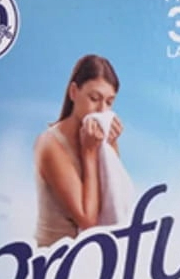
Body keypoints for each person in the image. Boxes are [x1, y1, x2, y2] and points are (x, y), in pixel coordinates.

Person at [34, 55, 123, 246]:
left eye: (109, 102)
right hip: (54, 257)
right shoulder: (50, 144)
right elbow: (88, 222)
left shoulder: (99, 140)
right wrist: (89, 153)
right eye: (94, 98)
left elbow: (115, 199)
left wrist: (111, 145)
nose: (102, 110)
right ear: (73, 92)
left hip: (92, 255)